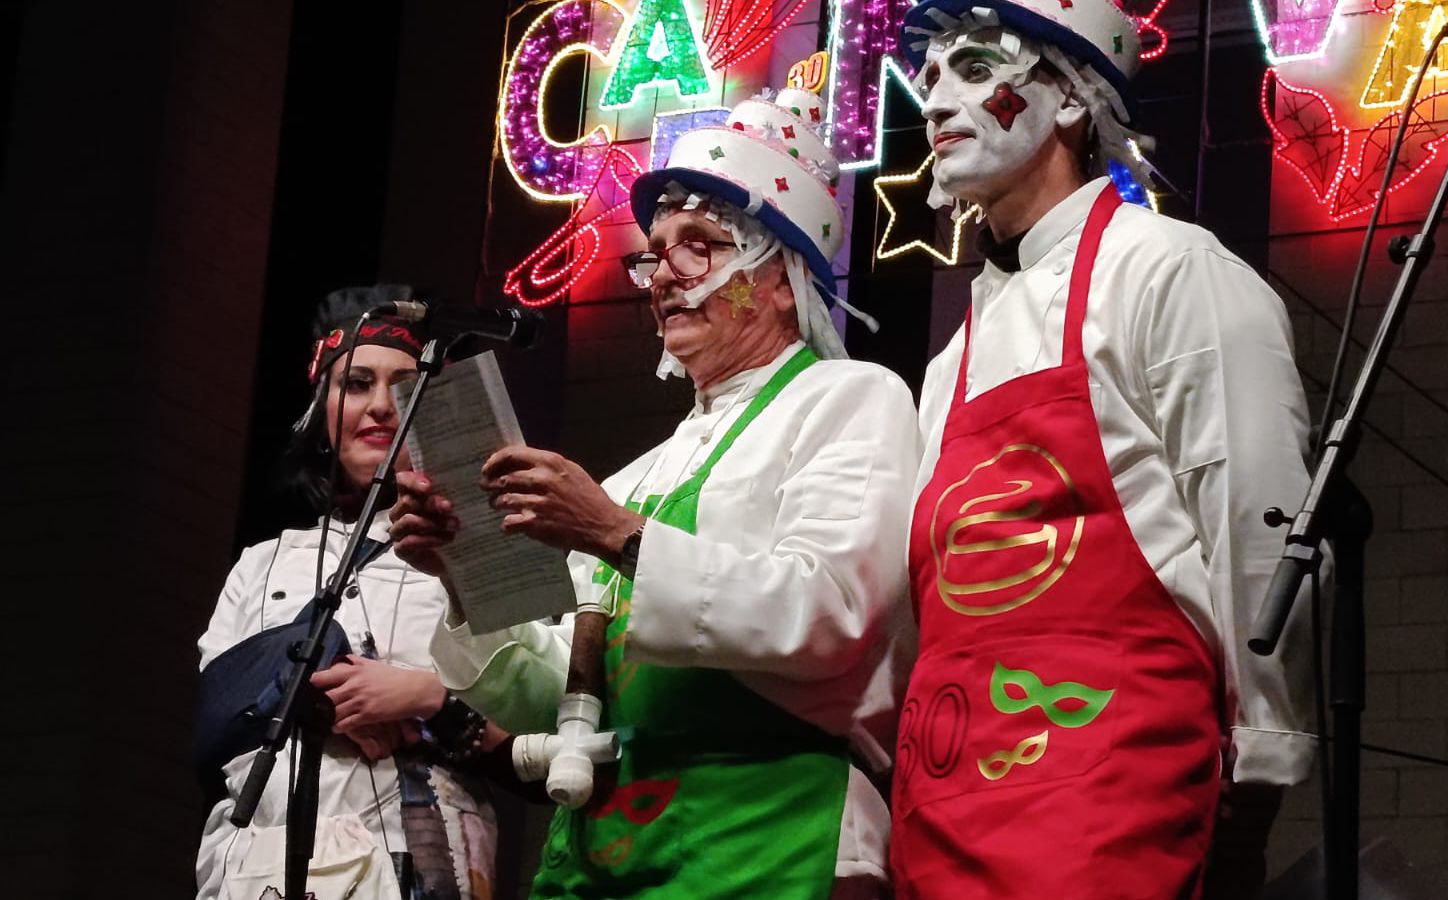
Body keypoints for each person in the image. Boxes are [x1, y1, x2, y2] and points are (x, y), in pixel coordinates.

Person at [389, 87, 919, 899]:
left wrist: (615, 534)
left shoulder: (850, 398)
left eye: (697, 247)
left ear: (781, 278)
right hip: (613, 849)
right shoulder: (638, 477)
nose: (661, 276)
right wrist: (463, 575)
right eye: (654, 254)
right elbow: (552, 697)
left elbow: (831, 614)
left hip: (771, 830)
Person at [890, 2, 1317, 897]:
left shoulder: (1170, 267)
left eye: (976, 70)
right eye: (930, 78)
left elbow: (1255, 513)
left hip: (1109, 783)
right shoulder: (948, 360)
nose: (934, 102)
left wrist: (1265, 750)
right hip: (942, 800)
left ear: (1072, 99)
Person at [195, 287, 499, 900]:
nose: (381, 406)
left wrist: (424, 699)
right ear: (322, 411)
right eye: (357, 384)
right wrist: (319, 692)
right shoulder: (262, 562)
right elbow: (218, 720)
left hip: (420, 860)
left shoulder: (481, 550)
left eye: (404, 387)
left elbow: (536, 728)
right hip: (256, 867)